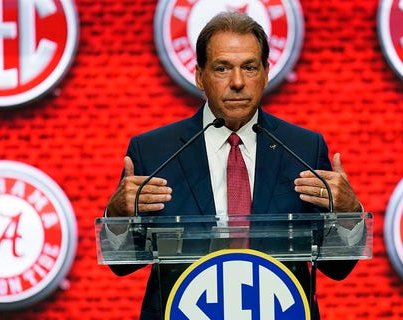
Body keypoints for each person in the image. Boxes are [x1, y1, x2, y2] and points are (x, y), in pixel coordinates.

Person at [105, 11, 364, 320]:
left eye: (250, 67)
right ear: (200, 75)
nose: (238, 82)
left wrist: (350, 214)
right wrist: (118, 216)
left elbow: (337, 268)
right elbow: (122, 265)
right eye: (222, 68)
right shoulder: (154, 151)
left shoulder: (303, 148)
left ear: (266, 72)